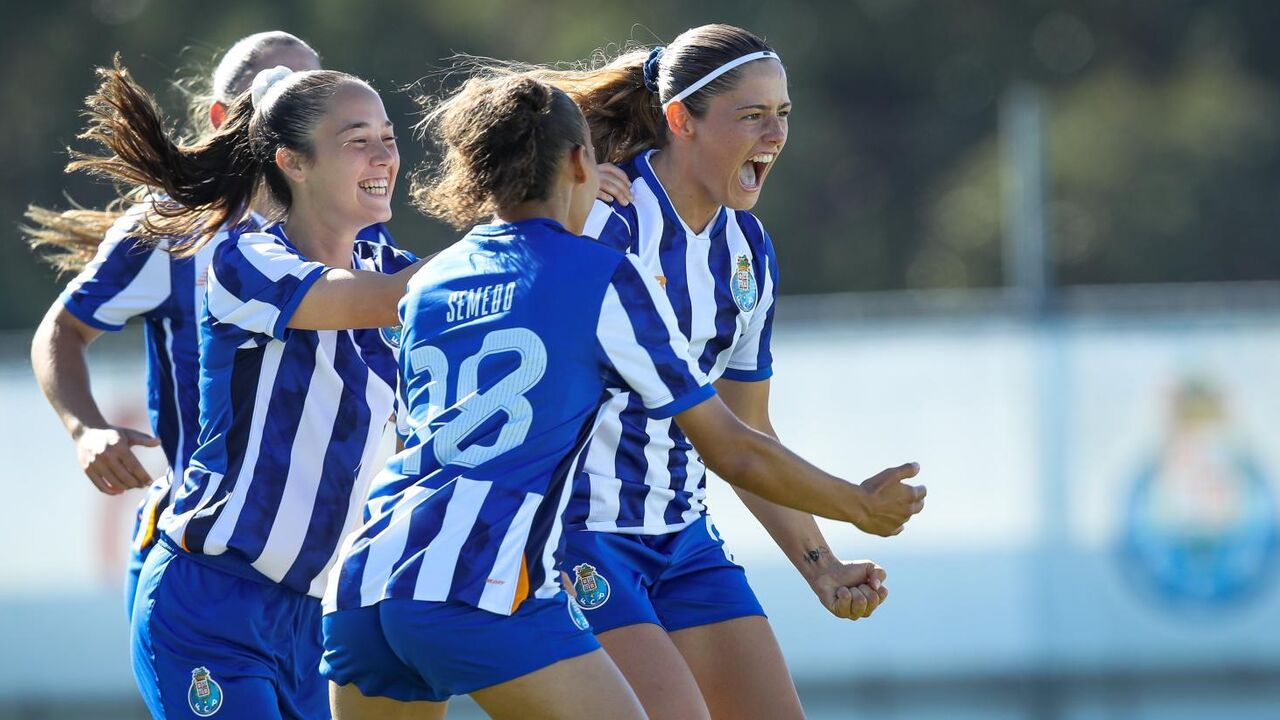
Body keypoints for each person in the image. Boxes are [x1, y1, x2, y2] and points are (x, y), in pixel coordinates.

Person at [320, 71, 920, 720]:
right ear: (583, 162)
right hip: (481, 585)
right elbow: (732, 448)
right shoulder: (602, 274)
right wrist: (857, 505)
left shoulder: (431, 280)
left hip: (367, 580)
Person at [507, 24, 928, 719]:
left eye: (784, 115)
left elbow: (747, 433)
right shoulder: (606, 223)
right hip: (584, 535)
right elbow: (731, 444)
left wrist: (821, 570)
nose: (775, 134)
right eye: (753, 115)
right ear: (681, 121)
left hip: (685, 541)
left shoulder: (749, 250)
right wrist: (857, 505)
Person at [64, 57, 420, 718]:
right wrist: (530, 225)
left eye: (388, 136)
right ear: (293, 161)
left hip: (317, 617)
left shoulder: (385, 262)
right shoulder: (245, 257)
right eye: (357, 139)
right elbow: (405, 297)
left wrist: (572, 211)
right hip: (213, 600)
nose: (384, 155)